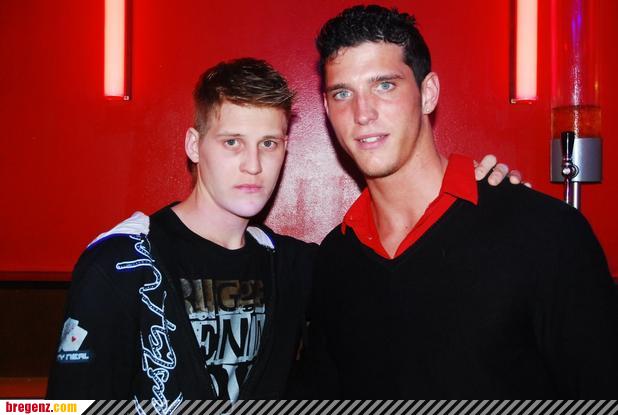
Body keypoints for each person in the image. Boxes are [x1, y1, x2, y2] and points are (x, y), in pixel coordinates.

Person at [46, 56, 515, 404]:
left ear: (286, 148)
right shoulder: (121, 263)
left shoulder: (294, 265)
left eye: (268, 143)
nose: (253, 164)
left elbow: (400, 290)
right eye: (233, 142)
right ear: (193, 145)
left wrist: (488, 192)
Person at [304, 4, 618, 398]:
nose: (362, 113)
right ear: (327, 108)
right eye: (342, 93)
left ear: (428, 94)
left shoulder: (545, 234)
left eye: (384, 85)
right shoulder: (336, 258)